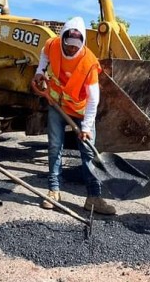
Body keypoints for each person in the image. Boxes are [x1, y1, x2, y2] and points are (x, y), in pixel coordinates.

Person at [30, 17, 116, 215]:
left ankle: (94, 197)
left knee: (88, 152)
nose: (71, 50)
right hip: (56, 104)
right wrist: (40, 70)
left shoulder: (89, 63)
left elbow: (94, 99)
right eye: (68, 46)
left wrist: (86, 126)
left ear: (83, 43)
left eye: (75, 47)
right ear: (62, 40)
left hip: (81, 110)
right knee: (54, 147)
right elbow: (44, 53)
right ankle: (54, 191)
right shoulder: (53, 45)